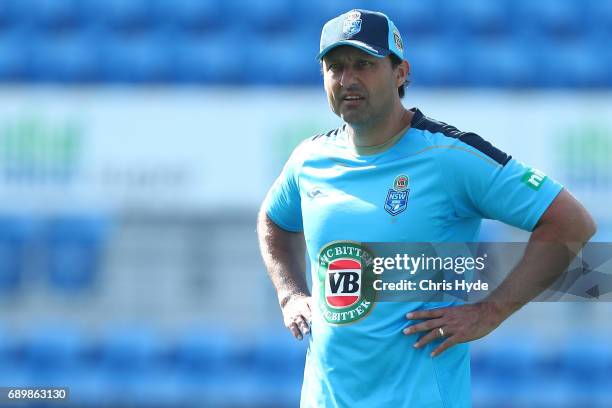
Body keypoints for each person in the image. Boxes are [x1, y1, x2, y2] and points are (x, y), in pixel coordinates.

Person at [257, 9, 596, 408]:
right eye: (336, 67)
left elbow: (570, 222)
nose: (348, 79)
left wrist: (490, 312)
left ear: (401, 73)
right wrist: (290, 295)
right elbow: (272, 222)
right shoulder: (309, 159)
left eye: (364, 64)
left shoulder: (449, 157)